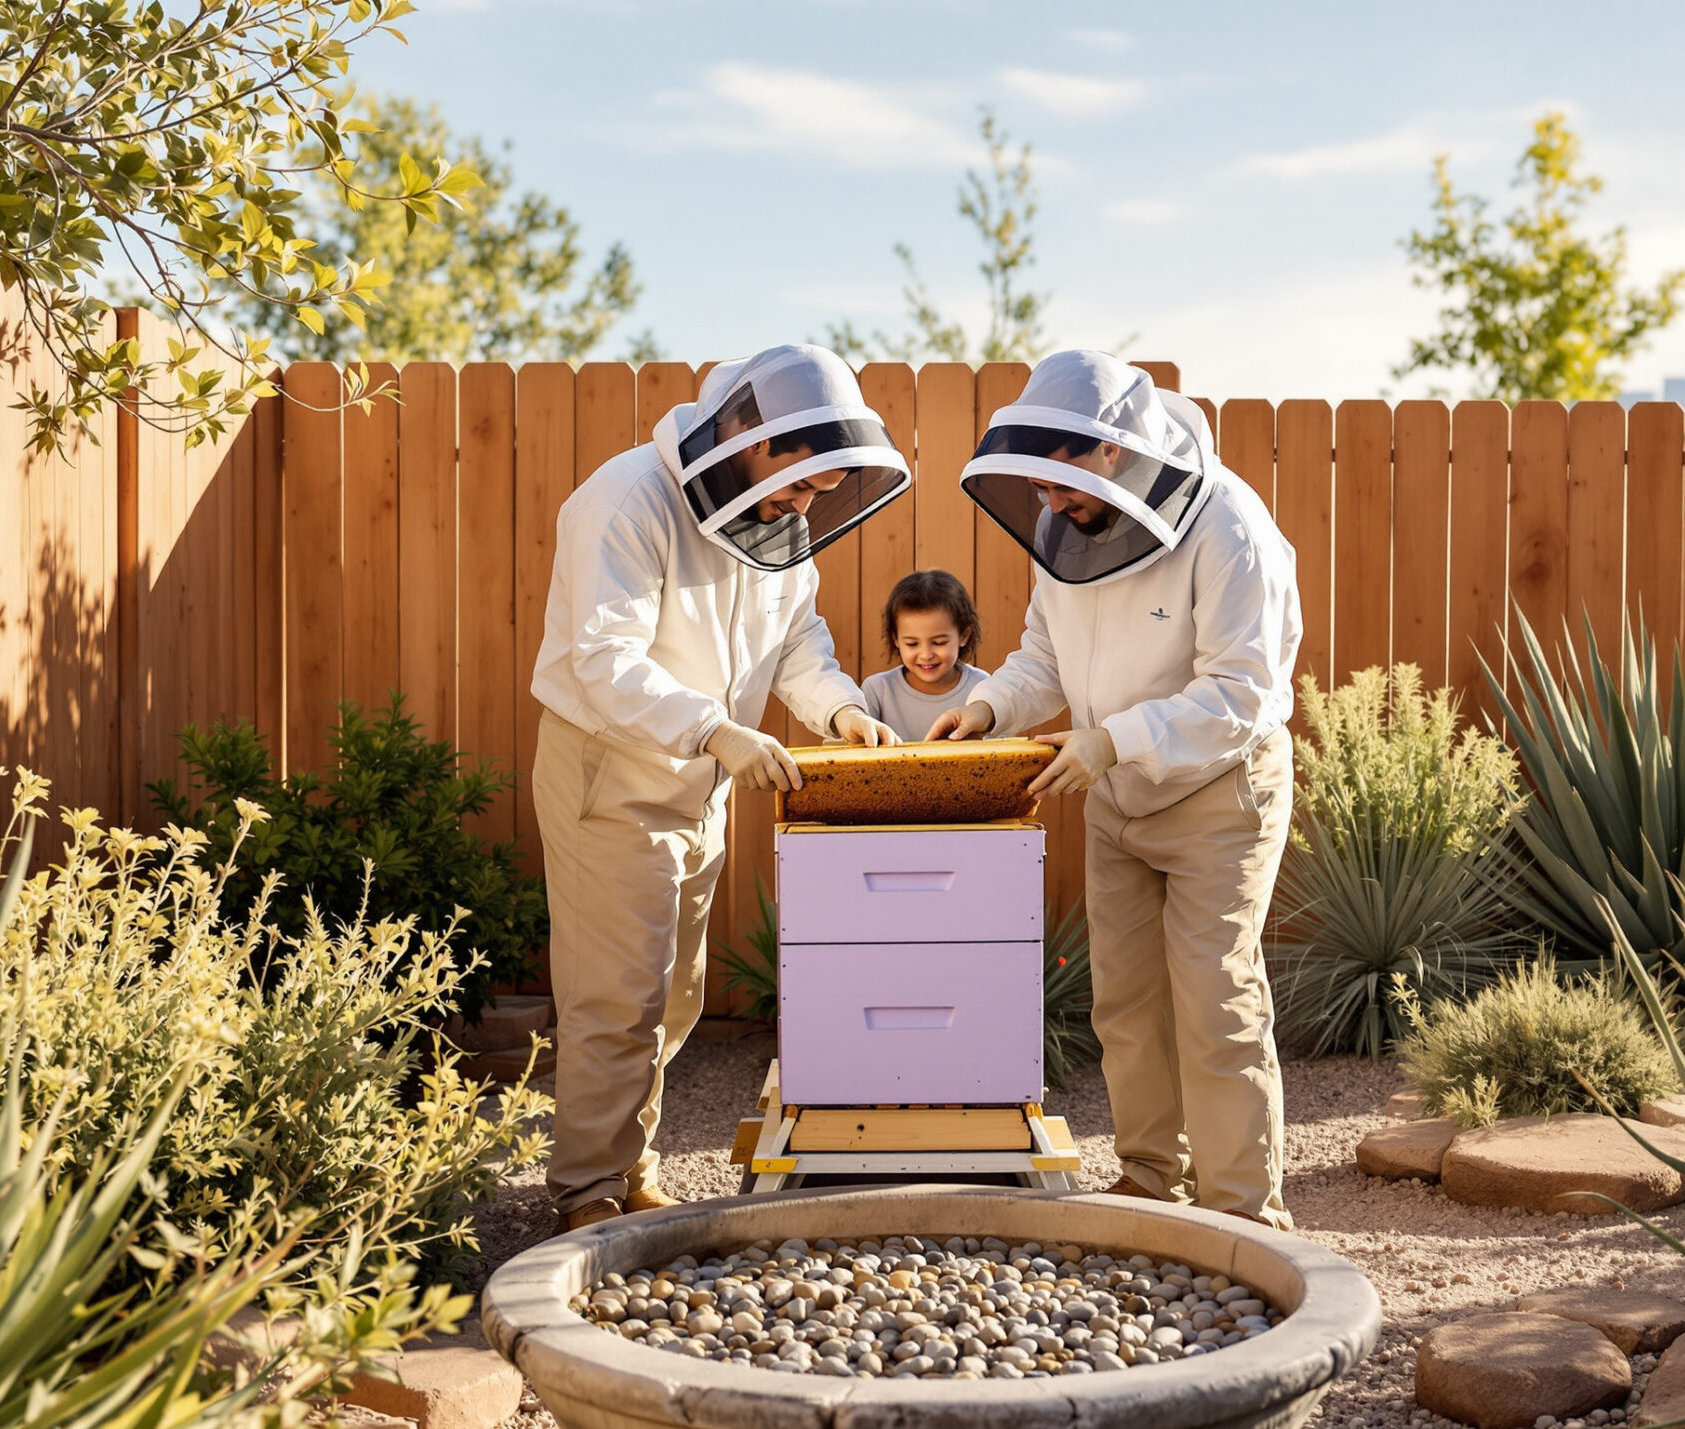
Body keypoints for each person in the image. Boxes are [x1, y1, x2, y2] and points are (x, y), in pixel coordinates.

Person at [529, 344, 908, 1234]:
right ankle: (587, 1190)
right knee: (615, 991)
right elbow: (602, 658)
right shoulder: (626, 499)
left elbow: (798, 641)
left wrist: (843, 712)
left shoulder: (777, 516)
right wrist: (715, 729)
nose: (804, 503)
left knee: (675, 992)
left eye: (821, 491)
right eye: (799, 482)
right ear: (747, 435)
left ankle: (634, 1164)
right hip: (609, 766)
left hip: (705, 774)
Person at [925, 349, 1303, 1229]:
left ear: (1107, 451)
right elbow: (1044, 657)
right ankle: (1148, 1176)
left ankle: (1245, 1210)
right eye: (1040, 491)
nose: (1049, 506)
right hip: (1114, 792)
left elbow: (1243, 693)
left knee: (1215, 996)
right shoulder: (1067, 522)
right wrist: (985, 708)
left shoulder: (1230, 529)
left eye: (1060, 485)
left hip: (1219, 789)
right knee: (1126, 999)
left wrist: (1111, 740)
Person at [858, 569, 989, 743]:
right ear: (895, 639)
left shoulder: (982, 688)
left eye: (939, 642)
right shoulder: (878, 691)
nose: (926, 655)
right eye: (912, 644)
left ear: (964, 636)